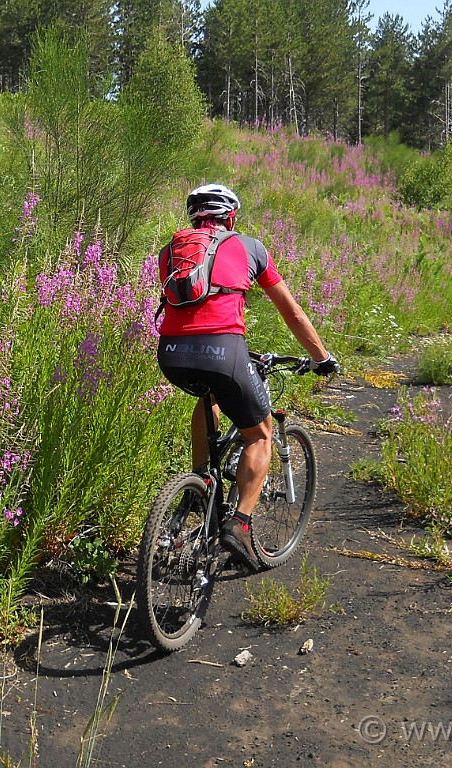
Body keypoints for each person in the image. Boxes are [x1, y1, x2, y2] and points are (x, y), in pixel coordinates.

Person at [156, 183, 339, 571]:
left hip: (171, 354)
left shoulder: (170, 251)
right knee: (260, 434)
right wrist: (321, 358)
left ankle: (200, 480)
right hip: (224, 351)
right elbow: (292, 313)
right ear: (231, 217)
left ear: (194, 218)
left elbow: (190, 310)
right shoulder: (251, 247)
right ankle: (239, 525)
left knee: (211, 395)